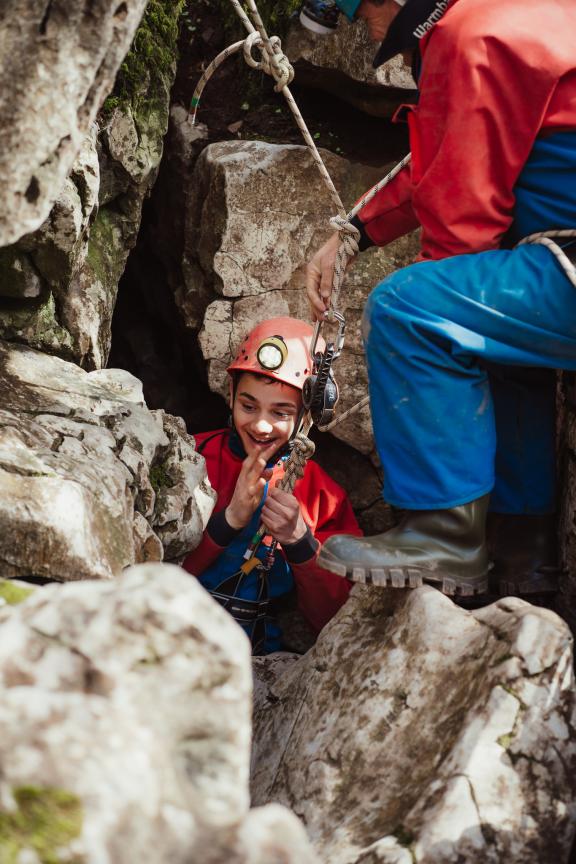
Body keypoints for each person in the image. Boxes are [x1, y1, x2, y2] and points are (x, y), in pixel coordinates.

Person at [303, 0, 576, 598]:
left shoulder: (469, 37)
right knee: (490, 334)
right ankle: (522, 559)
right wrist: (356, 230)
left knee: (412, 309)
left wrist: (426, 312)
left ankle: (446, 534)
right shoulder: (510, 15)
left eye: (362, 15)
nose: (368, 34)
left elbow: (462, 230)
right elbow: (451, 155)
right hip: (561, 256)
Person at [183, 317, 361, 653]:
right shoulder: (190, 456)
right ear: (231, 394)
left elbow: (337, 622)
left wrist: (300, 542)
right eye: (248, 406)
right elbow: (150, 574)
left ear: (305, 417)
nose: (261, 424)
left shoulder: (321, 496)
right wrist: (228, 521)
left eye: (280, 413)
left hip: (254, 657)